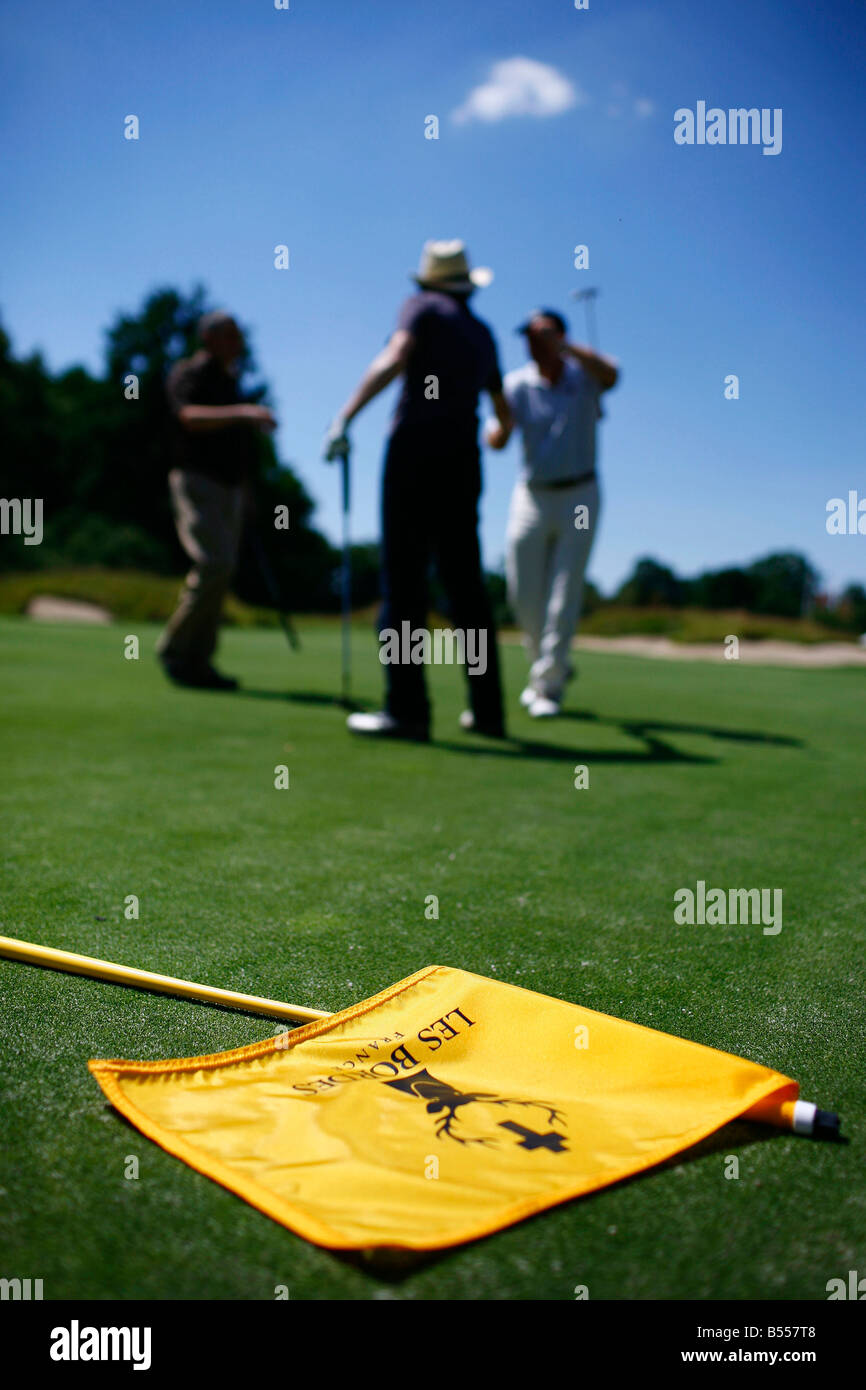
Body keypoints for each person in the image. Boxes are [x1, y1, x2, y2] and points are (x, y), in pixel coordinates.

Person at [324, 240, 512, 741]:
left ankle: (407, 711)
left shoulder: (421, 307)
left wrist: (346, 415)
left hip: (414, 454)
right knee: (466, 588)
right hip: (463, 460)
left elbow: (396, 355)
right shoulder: (482, 332)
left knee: (403, 585)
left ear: (427, 280)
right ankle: (488, 712)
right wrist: (497, 434)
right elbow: (502, 412)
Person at [487, 309, 619, 717]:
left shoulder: (585, 376)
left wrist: (565, 347)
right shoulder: (517, 385)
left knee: (565, 592)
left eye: (541, 333)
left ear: (561, 335)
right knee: (523, 593)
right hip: (531, 494)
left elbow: (613, 373)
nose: (532, 341)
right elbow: (495, 440)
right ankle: (549, 666)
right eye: (527, 334)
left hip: (580, 493)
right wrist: (503, 428)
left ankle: (548, 686)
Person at [156, 312, 276, 690]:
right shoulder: (190, 373)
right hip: (196, 481)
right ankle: (175, 650)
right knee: (214, 563)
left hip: (230, 488)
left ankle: (199, 661)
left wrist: (246, 490)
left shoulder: (231, 380)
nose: (237, 344)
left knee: (221, 575)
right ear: (208, 339)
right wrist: (244, 413)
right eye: (230, 336)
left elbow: (236, 446)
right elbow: (189, 416)